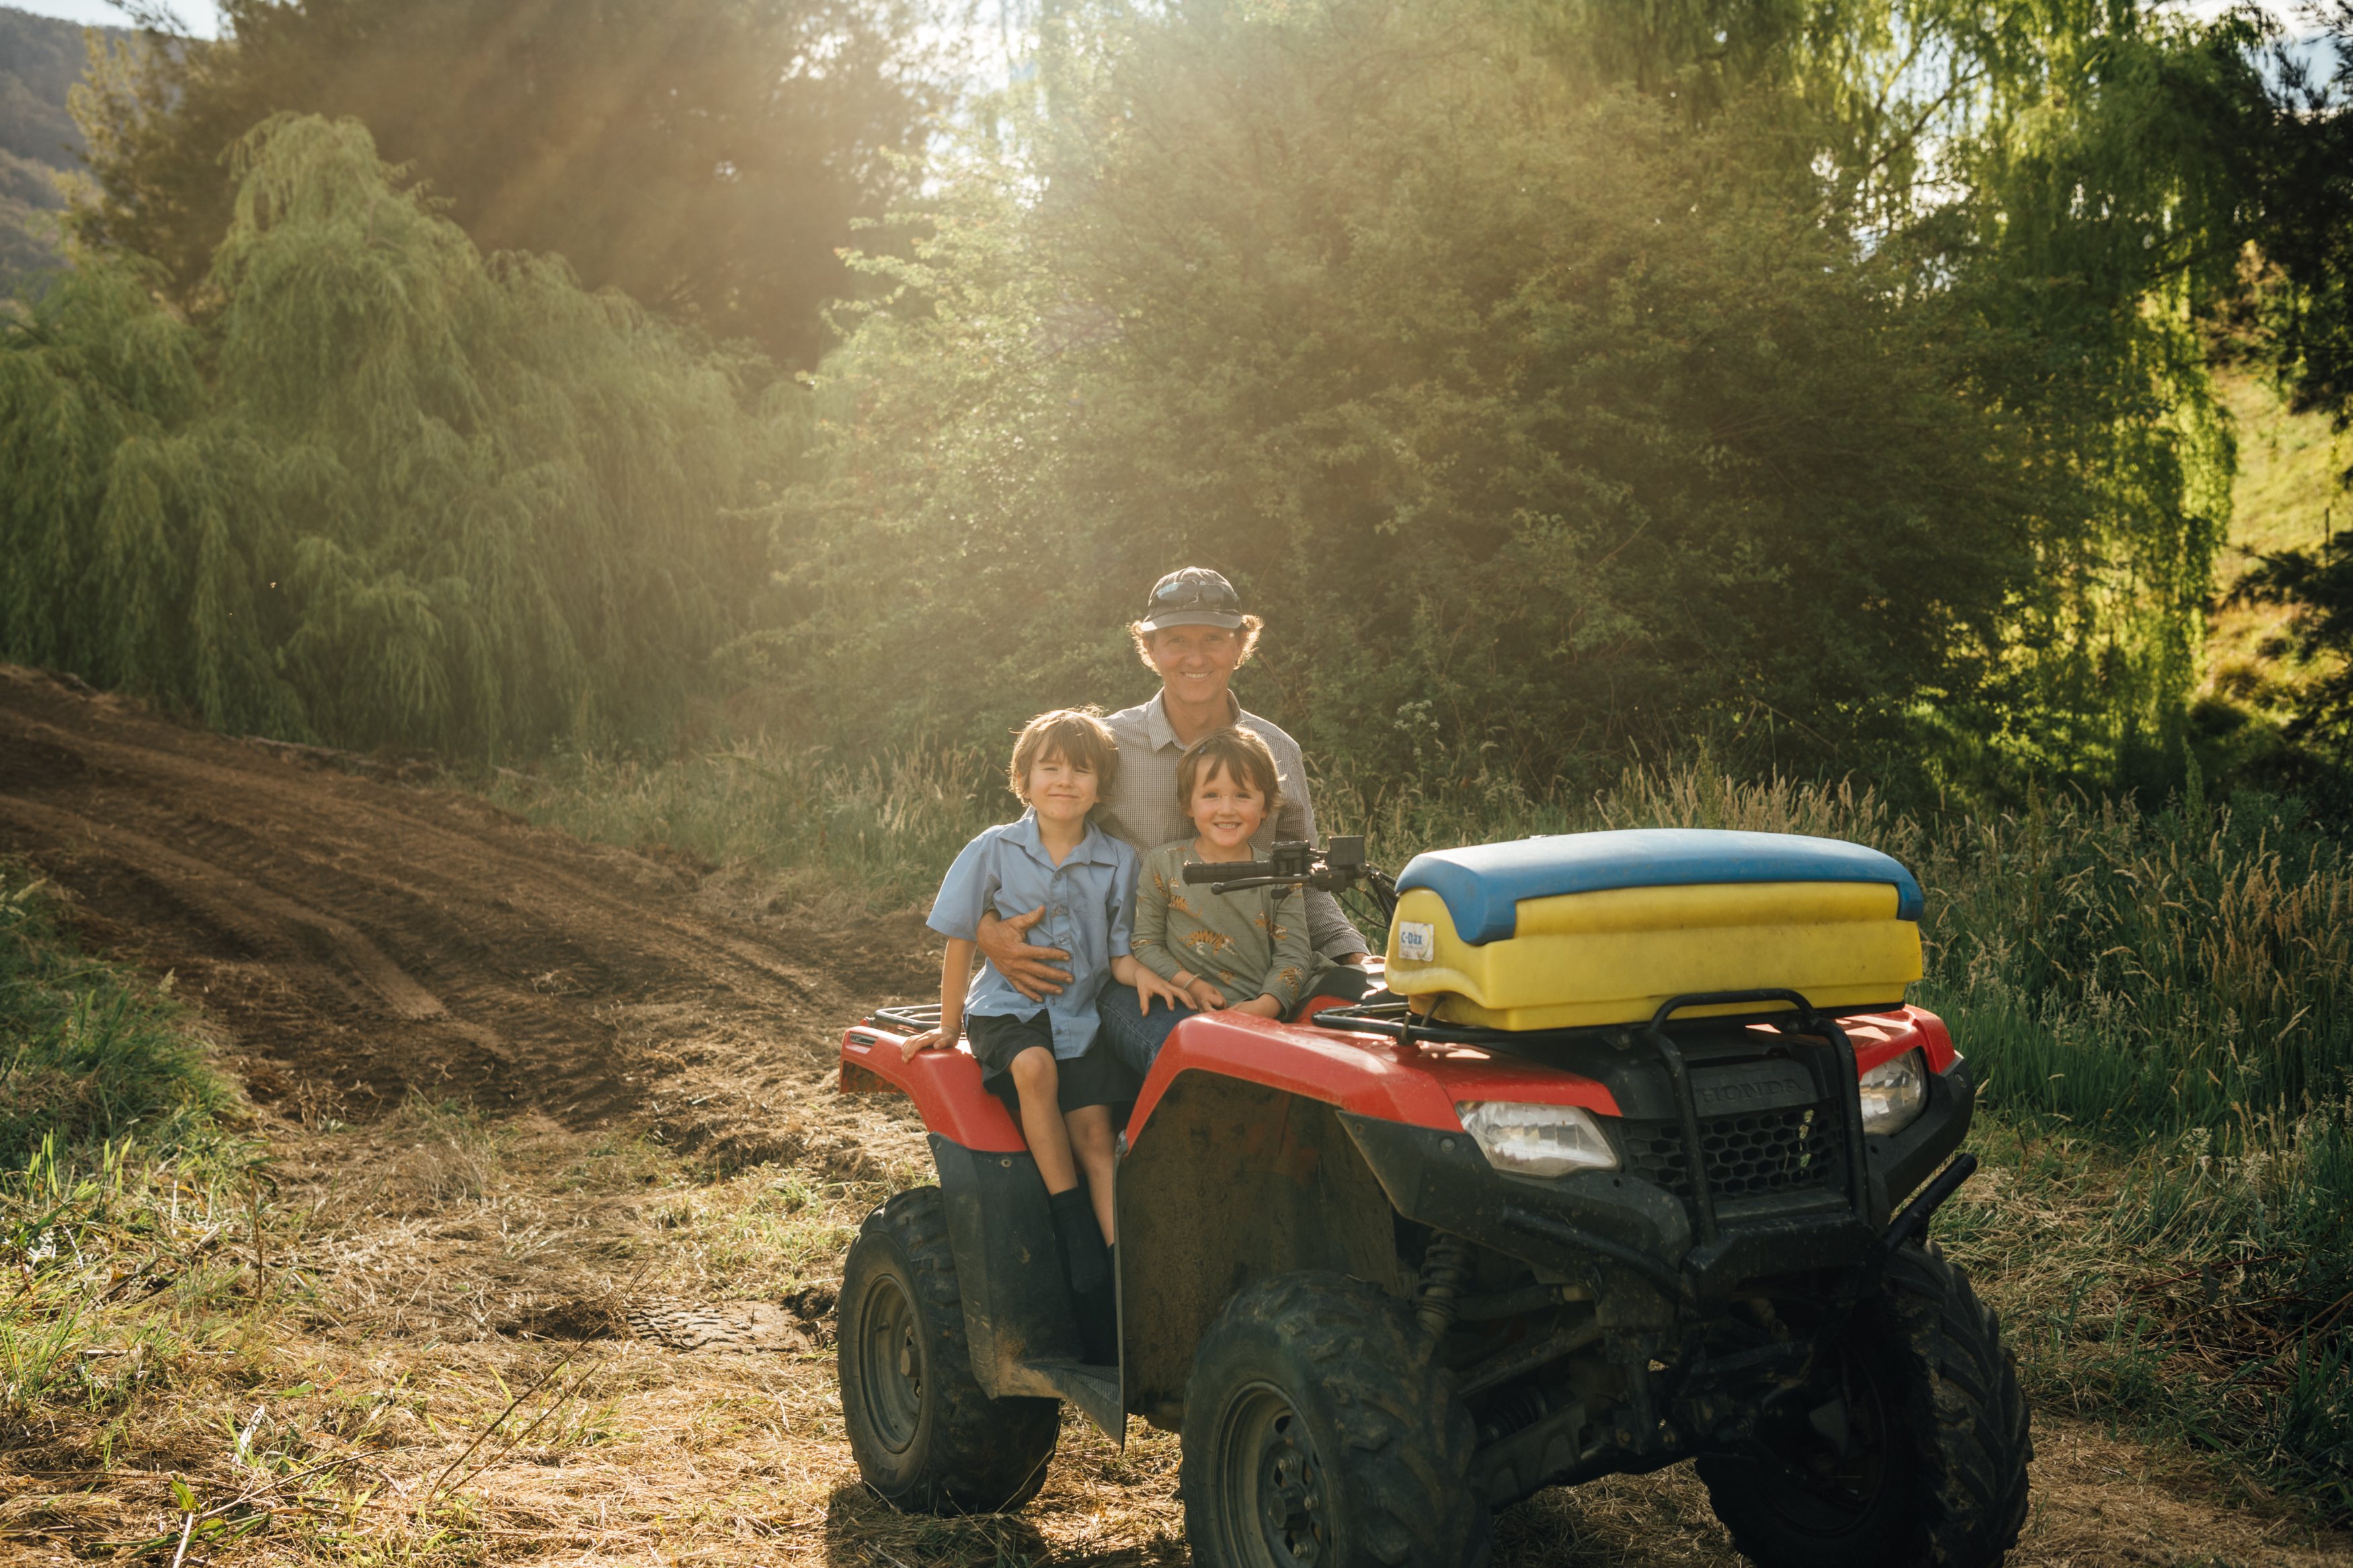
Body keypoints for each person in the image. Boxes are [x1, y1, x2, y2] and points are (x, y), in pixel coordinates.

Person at [898, 708, 1187, 1362]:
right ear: (1023, 778)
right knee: (1033, 1069)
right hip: (1007, 1009)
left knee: (1096, 1132)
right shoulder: (993, 848)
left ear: (1101, 784)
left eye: (1080, 768)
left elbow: (1119, 953)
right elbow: (960, 939)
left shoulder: (1119, 859)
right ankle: (1071, 1228)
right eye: (1049, 766)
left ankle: (1121, 1282)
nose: (1065, 779)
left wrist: (1152, 977)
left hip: (1079, 1014)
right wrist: (947, 1027)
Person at [976, 567, 1371, 997]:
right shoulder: (1106, 748)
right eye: (1177, 640)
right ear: (1150, 649)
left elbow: (1302, 878)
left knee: (1374, 1028)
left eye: (1213, 639)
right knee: (1209, 1055)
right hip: (1136, 973)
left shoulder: (1277, 751)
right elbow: (1029, 855)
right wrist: (989, 932)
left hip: (1261, 975)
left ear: (1240, 645)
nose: (1196, 659)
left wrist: (1354, 957)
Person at [1097, 727, 1318, 1079]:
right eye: (1211, 795)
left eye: (1243, 795)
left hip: (1261, 1011)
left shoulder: (1280, 873)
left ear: (1266, 804)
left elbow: (1294, 954)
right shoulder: (1163, 863)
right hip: (1185, 1007)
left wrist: (1264, 1007)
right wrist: (1191, 985)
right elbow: (1145, 943)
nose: (1226, 810)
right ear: (1189, 804)